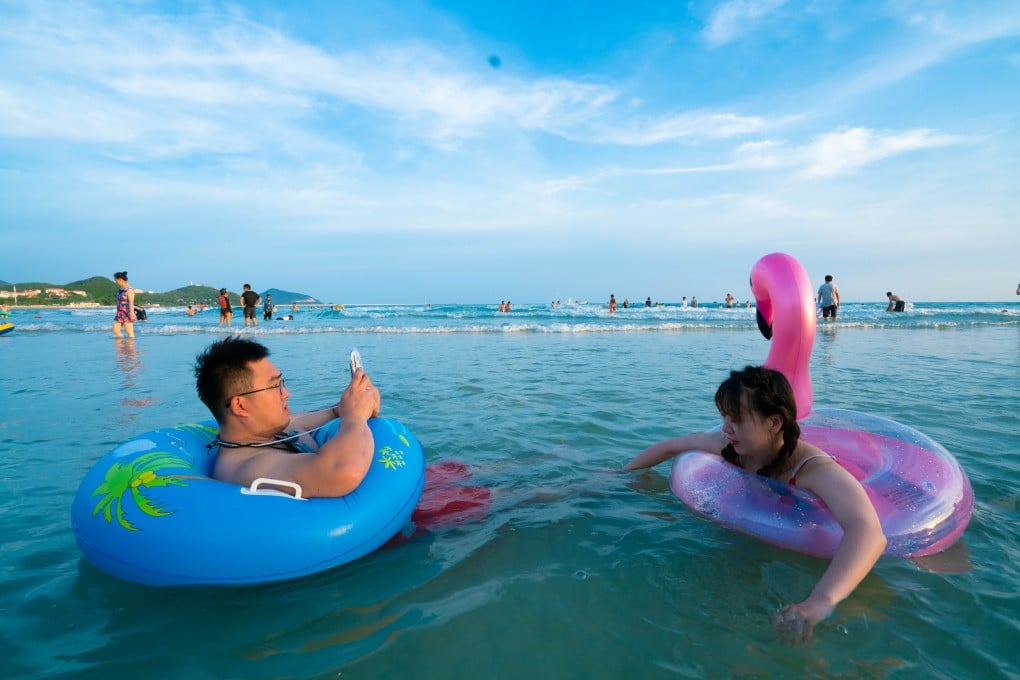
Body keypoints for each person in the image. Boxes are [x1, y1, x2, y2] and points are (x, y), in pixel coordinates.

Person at [624, 366, 886, 645]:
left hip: (799, 545)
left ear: (774, 423)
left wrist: (820, 602)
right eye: (724, 416)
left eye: (736, 419)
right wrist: (620, 476)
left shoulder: (813, 469)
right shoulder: (731, 446)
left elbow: (869, 532)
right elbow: (670, 447)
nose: (725, 427)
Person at [194, 336, 381, 497]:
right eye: (275, 386)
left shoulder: (267, 432)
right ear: (240, 406)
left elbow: (332, 412)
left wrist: (357, 402)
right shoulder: (247, 468)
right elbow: (341, 472)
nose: (286, 393)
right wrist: (355, 418)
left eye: (281, 382)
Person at [112, 271, 136, 338]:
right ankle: (121, 344)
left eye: (115, 280)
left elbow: (131, 302)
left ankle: (131, 344)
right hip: (120, 313)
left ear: (120, 279)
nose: (115, 282)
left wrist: (132, 313)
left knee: (129, 332)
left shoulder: (129, 289)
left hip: (127, 313)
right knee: (115, 330)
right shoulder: (120, 289)